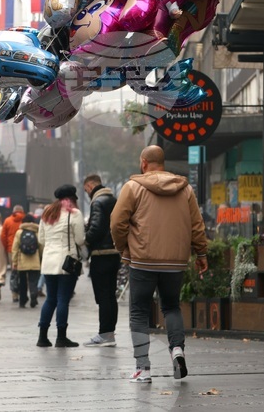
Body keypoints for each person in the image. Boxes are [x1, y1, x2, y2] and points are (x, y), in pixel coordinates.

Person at [110, 145, 208, 383]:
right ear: (162, 163)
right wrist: (201, 254)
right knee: (171, 307)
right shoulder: (185, 189)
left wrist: (124, 247)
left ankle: (143, 369)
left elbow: (117, 222)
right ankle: (177, 350)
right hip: (175, 262)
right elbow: (197, 225)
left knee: (139, 313)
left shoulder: (133, 187)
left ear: (144, 162)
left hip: (142, 260)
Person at [36, 184, 85, 348]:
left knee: (50, 299)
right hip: (66, 263)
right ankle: (61, 337)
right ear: (71, 199)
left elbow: (41, 239)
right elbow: (79, 240)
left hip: (49, 262)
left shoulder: (47, 212)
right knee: (63, 299)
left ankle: (42, 337)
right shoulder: (74, 213)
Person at [82, 173, 120, 347]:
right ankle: (110, 333)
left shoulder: (97, 202)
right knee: (111, 295)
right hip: (114, 253)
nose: (86, 193)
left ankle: (104, 334)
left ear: (90, 186)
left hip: (101, 254)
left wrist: (85, 240)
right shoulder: (113, 200)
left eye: (86, 190)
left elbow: (96, 228)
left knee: (103, 296)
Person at [11, 214, 41, 308]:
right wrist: (40, 257)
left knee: (22, 282)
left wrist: (14, 262)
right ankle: (33, 295)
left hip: (22, 262)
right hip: (35, 261)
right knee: (33, 281)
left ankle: (22, 300)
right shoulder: (37, 232)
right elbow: (41, 246)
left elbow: (15, 248)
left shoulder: (19, 233)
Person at [1, 205, 26, 303]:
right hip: (25, 250)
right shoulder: (25, 220)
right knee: (23, 272)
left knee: (14, 272)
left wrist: (7, 247)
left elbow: (3, 236)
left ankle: (14, 295)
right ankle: (23, 293)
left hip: (11, 249)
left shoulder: (7, 221)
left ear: (14, 211)